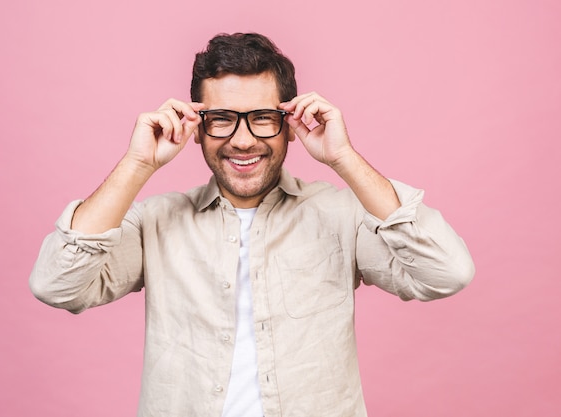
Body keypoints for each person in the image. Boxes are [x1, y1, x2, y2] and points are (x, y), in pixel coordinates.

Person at [30, 32, 474, 417]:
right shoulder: (156, 222)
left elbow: (445, 273)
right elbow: (57, 285)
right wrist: (137, 163)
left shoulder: (342, 216)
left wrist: (344, 158)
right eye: (221, 119)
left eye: (262, 118)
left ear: (291, 124)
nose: (243, 140)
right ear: (198, 127)